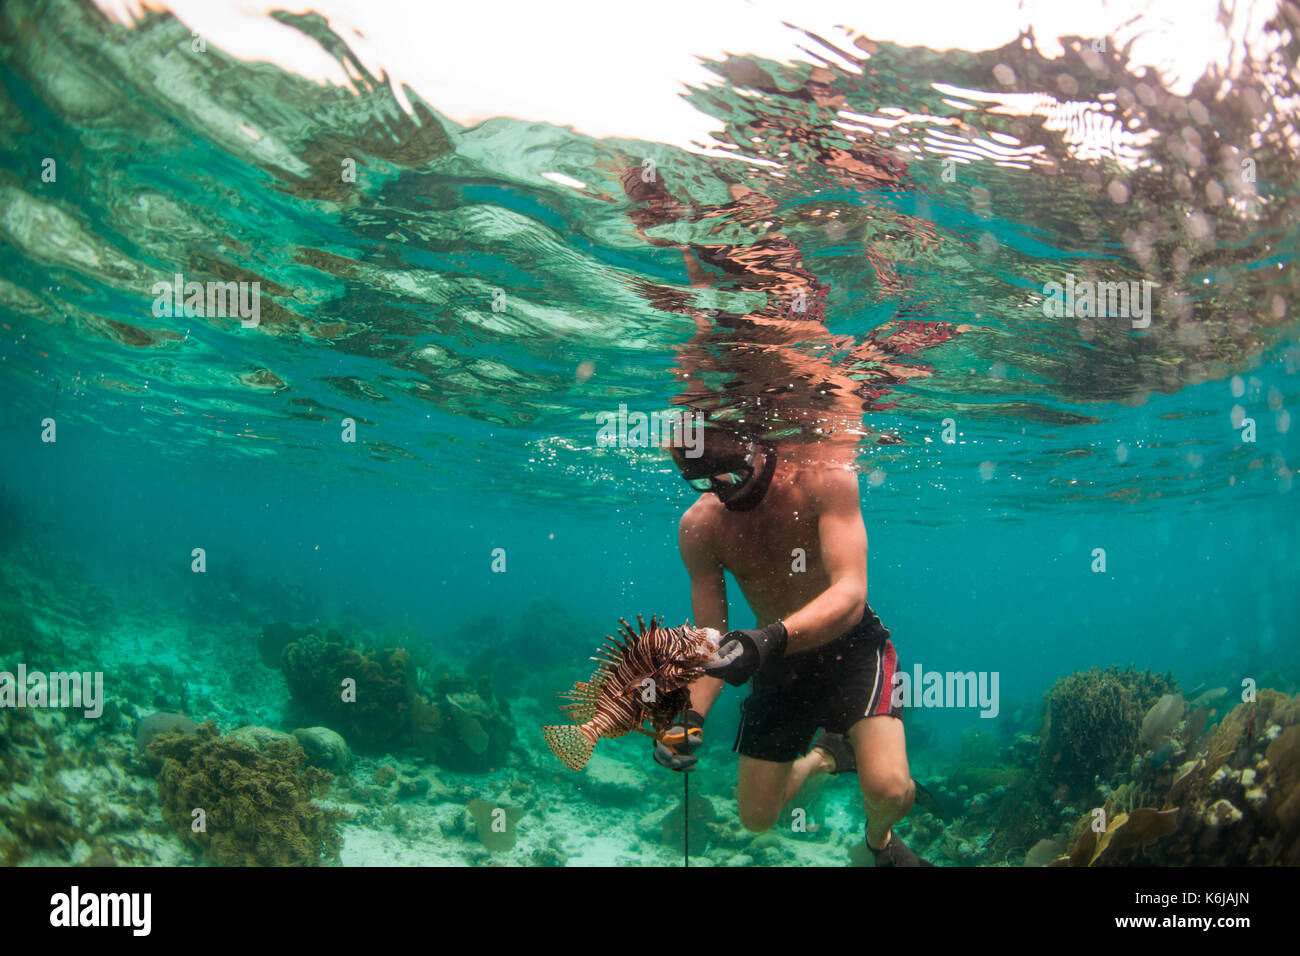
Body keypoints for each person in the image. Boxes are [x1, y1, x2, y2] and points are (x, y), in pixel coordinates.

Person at [654, 422, 932, 866]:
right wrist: (688, 716)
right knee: (757, 819)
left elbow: (850, 593)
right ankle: (825, 757)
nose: (723, 493)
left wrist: (769, 639)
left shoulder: (826, 477)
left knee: (891, 790)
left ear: (761, 450)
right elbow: (710, 641)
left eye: (732, 476)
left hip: (853, 647)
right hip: (775, 659)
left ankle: (879, 843)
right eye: (704, 483)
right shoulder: (700, 527)